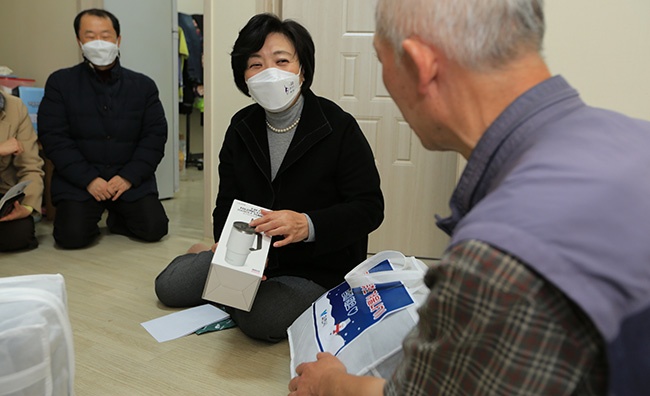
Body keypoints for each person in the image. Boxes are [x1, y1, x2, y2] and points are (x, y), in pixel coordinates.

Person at [288, 0, 650, 395]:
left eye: (380, 58)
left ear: (419, 65)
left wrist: (333, 385)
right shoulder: (636, 139)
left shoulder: (496, 253)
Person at [155, 14, 384, 343]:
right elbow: (226, 203)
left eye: (281, 60)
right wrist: (228, 247)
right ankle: (210, 259)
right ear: (244, 75)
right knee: (168, 288)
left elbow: (369, 207)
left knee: (261, 322)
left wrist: (307, 224)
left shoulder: (339, 126)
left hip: (315, 265)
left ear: (302, 69)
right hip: (249, 255)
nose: (269, 72)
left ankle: (214, 270)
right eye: (255, 64)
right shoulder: (241, 127)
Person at [37, 8, 169, 249]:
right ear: (79, 41)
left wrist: (128, 177)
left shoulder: (143, 86)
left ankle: (119, 217)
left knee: (154, 228)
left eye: (106, 36)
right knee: (71, 237)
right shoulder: (60, 83)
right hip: (81, 182)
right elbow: (53, 137)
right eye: (90, 36)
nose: (99, 42)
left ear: (118, 39)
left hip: (127, 180)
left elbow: (154, 137)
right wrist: (89, 179)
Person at [0, 91, 44, 251]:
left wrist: (27, 207)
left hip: (2, 195)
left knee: (20, 235)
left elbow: (31, 166)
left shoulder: (15, 106)